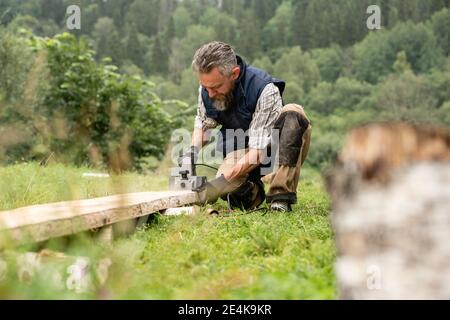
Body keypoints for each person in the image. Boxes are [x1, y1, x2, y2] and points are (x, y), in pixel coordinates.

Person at [179, 41, 312, 212]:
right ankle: (253, 193)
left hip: (275, 152)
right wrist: (192, 153)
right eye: (206, 87)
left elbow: (258, 153)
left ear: (234, 73)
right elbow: (204, 126)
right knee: (231, 194)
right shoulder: (207, 88)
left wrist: (217, 184)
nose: (210, 93)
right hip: (240, 151)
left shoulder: (264, 89)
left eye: (216, 87)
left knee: (294, 112)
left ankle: (280, 196)